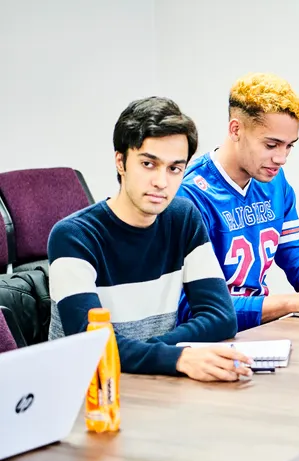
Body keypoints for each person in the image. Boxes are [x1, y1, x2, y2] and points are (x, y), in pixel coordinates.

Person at [48, 97, 251, 382]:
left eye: (174, 168)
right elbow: (91, 345)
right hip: (86, 392)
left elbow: (221, 316)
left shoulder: (182, 218)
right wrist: (176, 356)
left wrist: (150, 353)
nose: (161, 182)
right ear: (121, 162)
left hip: (153, 380)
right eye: (148, 164)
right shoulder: (74, 236)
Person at [177, 73, 299, 332]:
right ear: (236, 130)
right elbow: (197, 309)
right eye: (271, 144)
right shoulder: (190, 196)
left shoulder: (275, 183)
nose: (281, 158)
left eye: (289, 146)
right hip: (213, 338)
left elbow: (298, 258)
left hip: (259, 329)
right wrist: (294, 303)